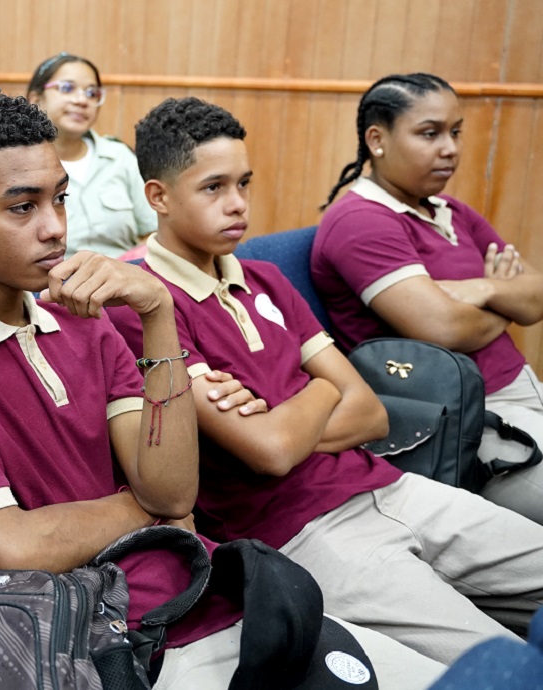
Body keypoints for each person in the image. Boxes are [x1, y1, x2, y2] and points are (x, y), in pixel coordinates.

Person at [0, 89, 444, 689]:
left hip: (217, 591)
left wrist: (158, 311)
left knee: (473, 678)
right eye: (22, 208)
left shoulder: (84, 321)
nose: (54, 228)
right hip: (121, 640)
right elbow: (12, 545)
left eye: (60, 199)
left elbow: (173, 489)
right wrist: (148, 510)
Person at [110, 95, 543, 664]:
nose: (238, 204)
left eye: (245, 183)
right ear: (159, 197)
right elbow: (268, 452)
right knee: (506, 665)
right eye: (214, 188)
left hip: (390, 485)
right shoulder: (145, 307)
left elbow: (372, 413)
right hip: (304, 530)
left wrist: (282, 411)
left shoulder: (264, 278)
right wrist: (319, 389)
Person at [312, 73, 543, 524]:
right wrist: (505, 304)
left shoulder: (449, 210)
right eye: (430, 133)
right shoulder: (361, 221)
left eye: (455, 132)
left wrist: (484, 289)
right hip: (471, 421)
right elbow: (443, 328)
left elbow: (536, 299)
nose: (451, 148)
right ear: (376, 140)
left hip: (520, 391)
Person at [25, 52, 155, 258]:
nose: (82, 100)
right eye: (67, 88)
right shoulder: (19, 163)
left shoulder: (120, 158)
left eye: (91, 93)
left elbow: (155, 232)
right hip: (51, 283)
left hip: (122, 277)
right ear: (36, 99)